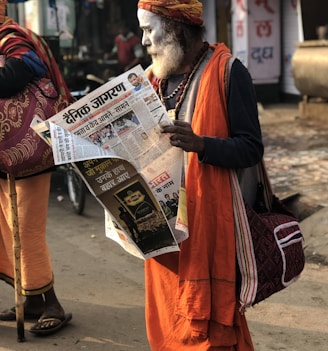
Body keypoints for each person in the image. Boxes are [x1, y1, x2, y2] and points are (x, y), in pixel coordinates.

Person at [137, 0, 264, 350]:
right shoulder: (150, 80)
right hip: (164, 235)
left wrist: (202, 144)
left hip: (210, 232)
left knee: (209, 331)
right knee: (167, 322)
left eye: (149, 30)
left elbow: (251, 148)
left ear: (177, 27)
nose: (144, 40)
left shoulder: (228, 71)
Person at [0, 3, 73, 336]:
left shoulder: (11, 37)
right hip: (5, 154)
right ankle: (30, 299)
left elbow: (21, 70)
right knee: (11, 229)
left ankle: (53, 303)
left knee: (26, 232)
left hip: (28, 152)